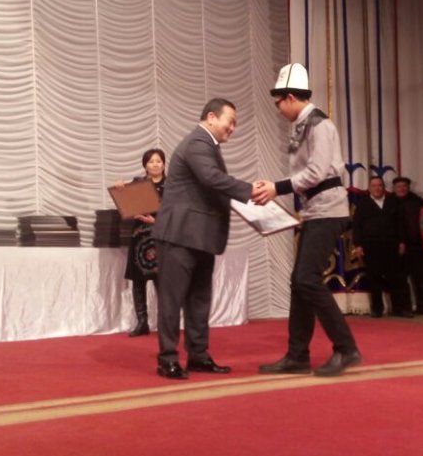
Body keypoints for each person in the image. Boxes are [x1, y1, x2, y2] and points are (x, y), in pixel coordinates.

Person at [254, 63, 361, 378]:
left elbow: (316, 172)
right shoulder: (304, 124)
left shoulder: (320, 125)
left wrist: (276, 188)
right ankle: (297, 355)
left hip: (328, 210)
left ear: (290, 97)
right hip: (315, 210)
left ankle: (346, 348)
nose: (278, 109)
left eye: (278, 102)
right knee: (299, 283)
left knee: (306, 279)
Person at [151, 98, 260, 380]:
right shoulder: (198, 142)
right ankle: (167, 359)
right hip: (180, 235)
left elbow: (210, 186)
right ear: (211, 117)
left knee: (199, 300)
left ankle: (198, 355)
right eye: (230, 121)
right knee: (172, 300)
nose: (232, 128)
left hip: (200, 237)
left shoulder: (208, 145)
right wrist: (251, 190)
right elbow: (211, 178)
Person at [118, 148, 166, 337]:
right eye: (151, 161)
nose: (155, 164)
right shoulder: (138, 183)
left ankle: (165, 323)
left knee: (162, 281)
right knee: (138, 280)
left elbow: (176, 212)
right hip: (139, 237)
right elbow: (125, 201)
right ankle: (142, 322)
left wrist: (156, 220)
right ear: (145, 165)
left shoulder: (172, 185)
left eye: (158, 161)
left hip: (160, 236)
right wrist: (121, 188)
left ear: (164, 164)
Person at [351, 175, 403, 318]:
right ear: (369, 188)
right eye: (374, 186)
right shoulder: (363, 204)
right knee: (374, 278)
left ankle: (398, 308)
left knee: (394, 277)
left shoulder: (392, 201)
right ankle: (377, 309)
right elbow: (357, 226)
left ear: (383, 187)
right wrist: (358, 245)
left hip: (391, 244)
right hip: (371, 245)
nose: (377, 188)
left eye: (379, 185)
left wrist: (401, 242)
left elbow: (400, 224)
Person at [386, 175, 423, 316]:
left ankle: (422, 306)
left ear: (408, 187)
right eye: (399, 187)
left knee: (420, 277)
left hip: (416, 245)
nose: (402, 189)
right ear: (394, 188)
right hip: (396, 246)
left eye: (404, 186)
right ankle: (403, 308)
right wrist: (398, 242)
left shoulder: (417, 201)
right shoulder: (389, 202)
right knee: (400, 279)